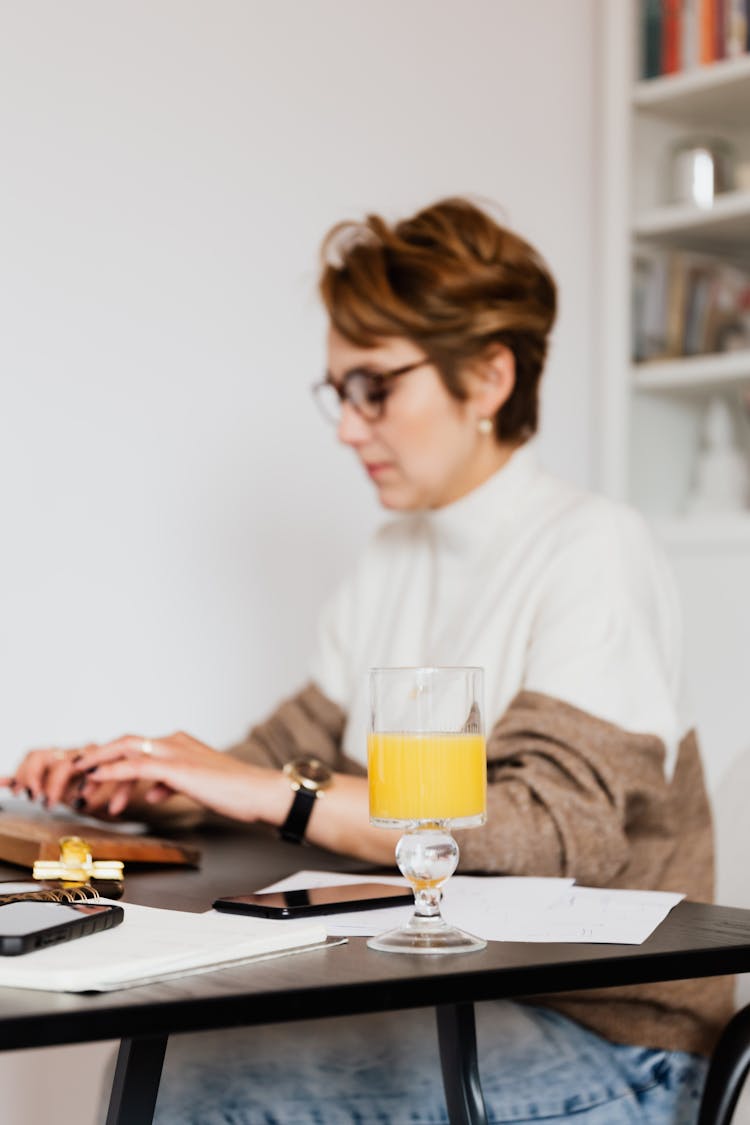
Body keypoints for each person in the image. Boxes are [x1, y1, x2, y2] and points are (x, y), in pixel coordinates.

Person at [4, 197, 732, 1124]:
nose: (348, 427)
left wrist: (280, 793)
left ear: (489, 379)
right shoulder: (395, 557)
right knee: (168, 1054)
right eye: (339, 392)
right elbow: (286, 751)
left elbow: (553, 834)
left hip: (612, 1036)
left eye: (375, 388)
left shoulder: (594, 549)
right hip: (458, 994)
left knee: (207, 1081)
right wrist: (159, 781)